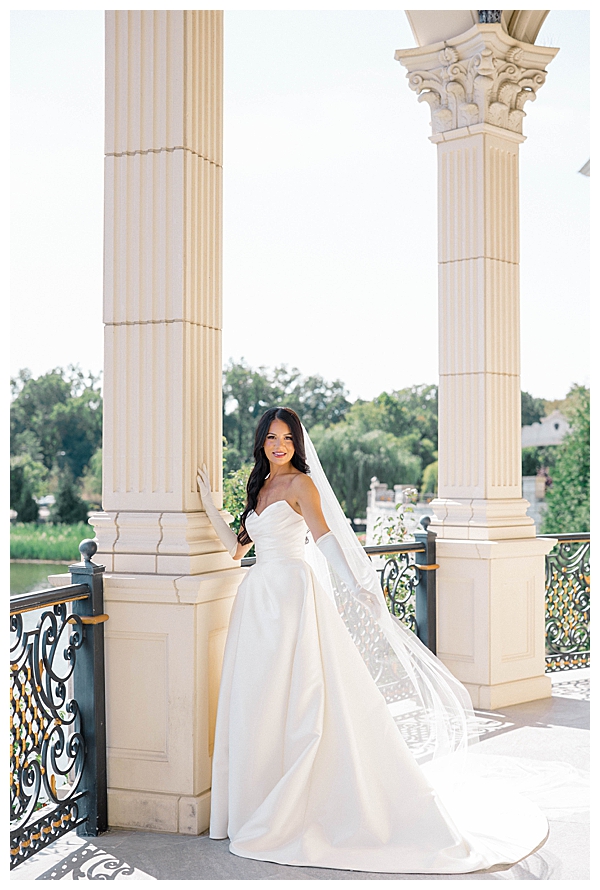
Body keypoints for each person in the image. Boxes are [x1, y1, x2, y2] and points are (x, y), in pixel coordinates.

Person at [197, 406, 549, 874]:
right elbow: (236, 547)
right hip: (256, 601)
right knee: (256, 703)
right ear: (261, 442)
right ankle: (255, 800)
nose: (278, 444)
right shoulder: (259, 488)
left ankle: (294, 806)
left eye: (286, 437)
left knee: (299, 702)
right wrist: (207, 505)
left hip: (291, 599)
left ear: (297, 443)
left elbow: (324, 539)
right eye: (271, 437)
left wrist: (357, 584)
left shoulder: (302, 484)